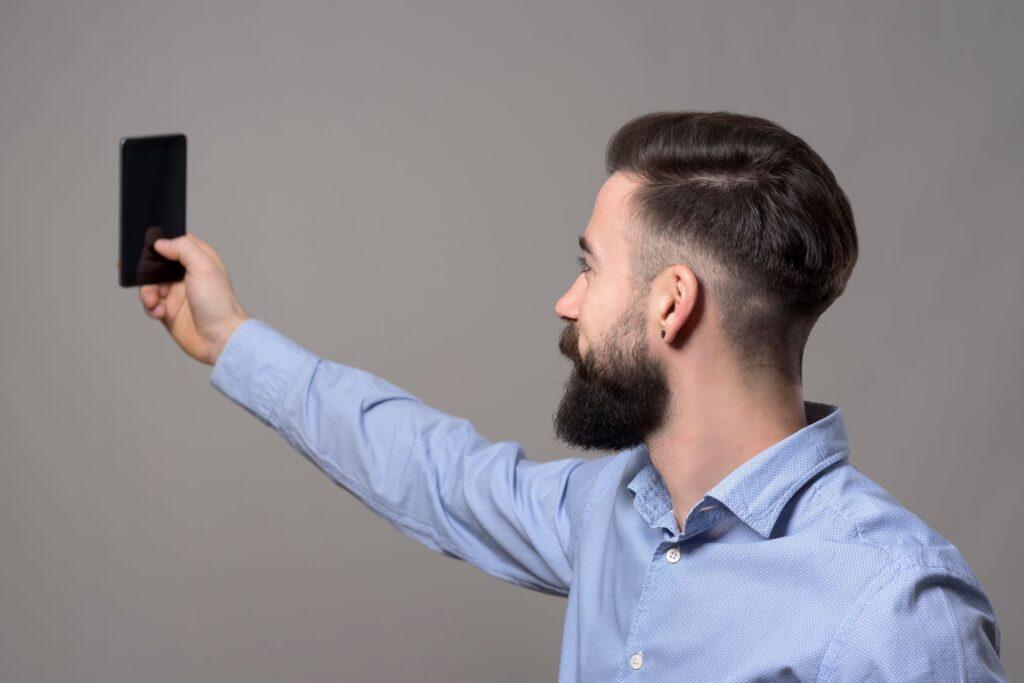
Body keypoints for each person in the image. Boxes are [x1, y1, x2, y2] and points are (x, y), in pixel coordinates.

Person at [134, 111, 1007, 681]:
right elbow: (437, 474)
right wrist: (230, 337)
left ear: (671, 302)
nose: (567, 301)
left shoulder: (897, 612)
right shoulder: (612, 512)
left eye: (590, 267)